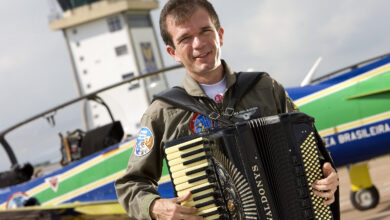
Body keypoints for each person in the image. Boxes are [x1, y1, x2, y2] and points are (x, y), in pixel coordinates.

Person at [115, 0, 340, 219]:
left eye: (205, 31)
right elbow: (131, 184)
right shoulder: (162, 113)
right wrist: (155, 207)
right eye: (185, 38)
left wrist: (327, 175)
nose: (198, 44)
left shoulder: (265, 87)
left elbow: (311, 150)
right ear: (172, 52)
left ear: (220, 34)